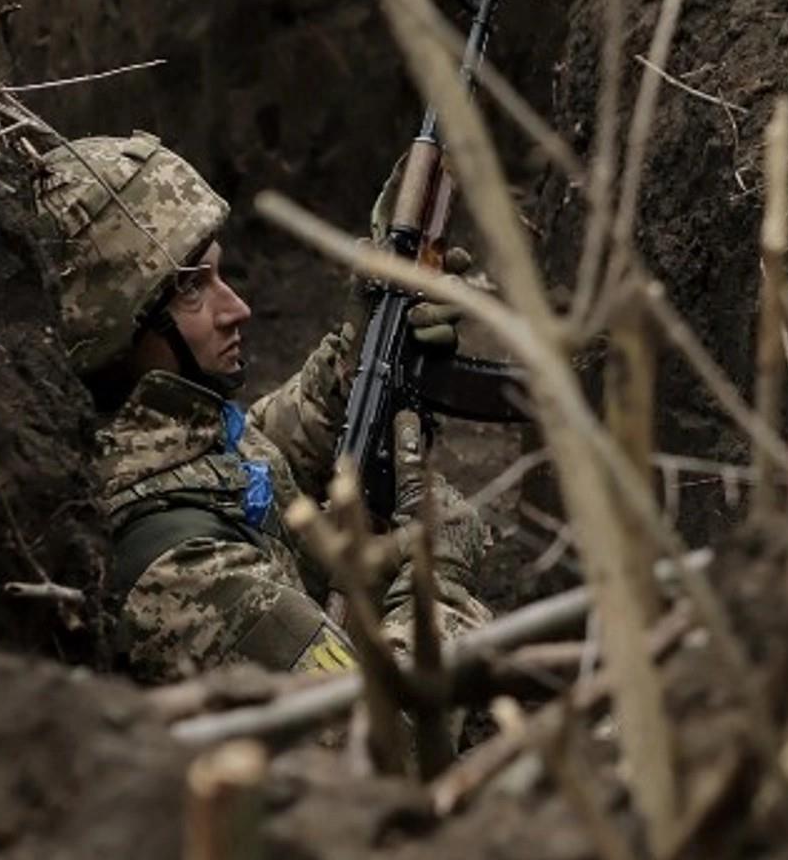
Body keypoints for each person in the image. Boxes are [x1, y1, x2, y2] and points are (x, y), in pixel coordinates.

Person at [32, 131, 490, 682]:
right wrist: (440, 580)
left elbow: (249, 463)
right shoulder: (180, 570)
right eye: (192, 290)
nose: (238, 308)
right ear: (117, 328)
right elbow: (389, 740)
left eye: (220, 274)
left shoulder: (142, 435)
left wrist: (363, 347)